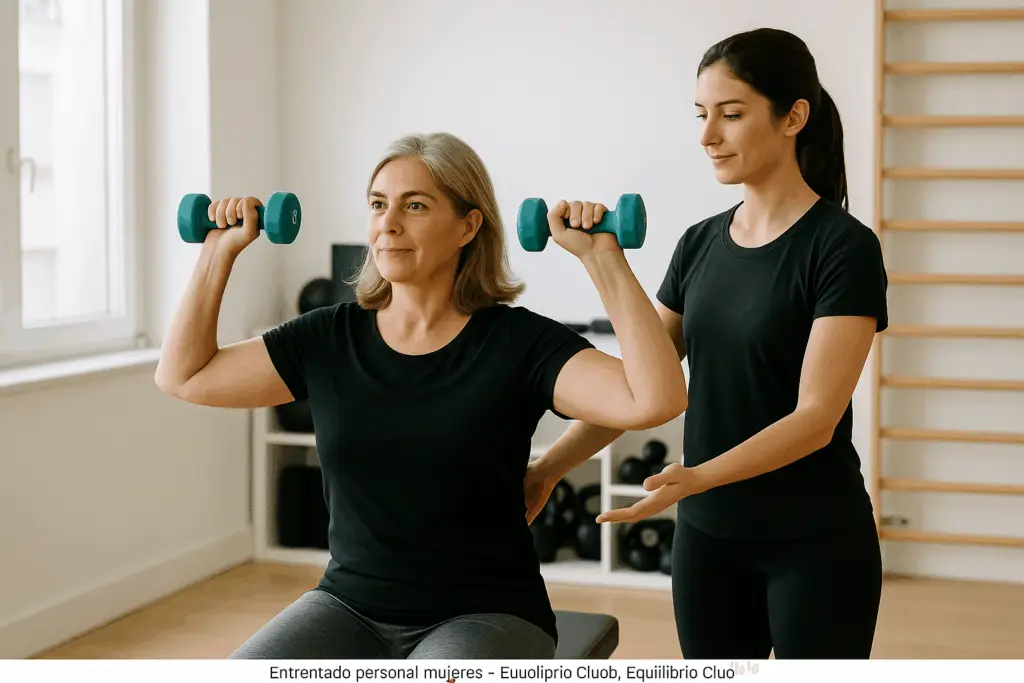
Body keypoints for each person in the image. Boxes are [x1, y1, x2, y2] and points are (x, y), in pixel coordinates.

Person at [154, 131, 688, 659]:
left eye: (414, 205)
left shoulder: (517, 343)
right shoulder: (327, 338)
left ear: (468, 226)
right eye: (378, 204)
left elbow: (654, 400)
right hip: (348, 605)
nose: (388, 224)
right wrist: (216, 252)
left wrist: (602, 258)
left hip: (487, 612)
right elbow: (185, 376)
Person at [526, 28, 889, 660]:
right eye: (701, 115)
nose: (707, 136)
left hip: (815, 540)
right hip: (708, 542)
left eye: (731, 114)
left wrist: (695, 478)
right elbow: (641, 384)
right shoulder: (699, 244)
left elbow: (815, 419)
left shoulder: (842, 248)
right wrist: (549, 468)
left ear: (793, 117)